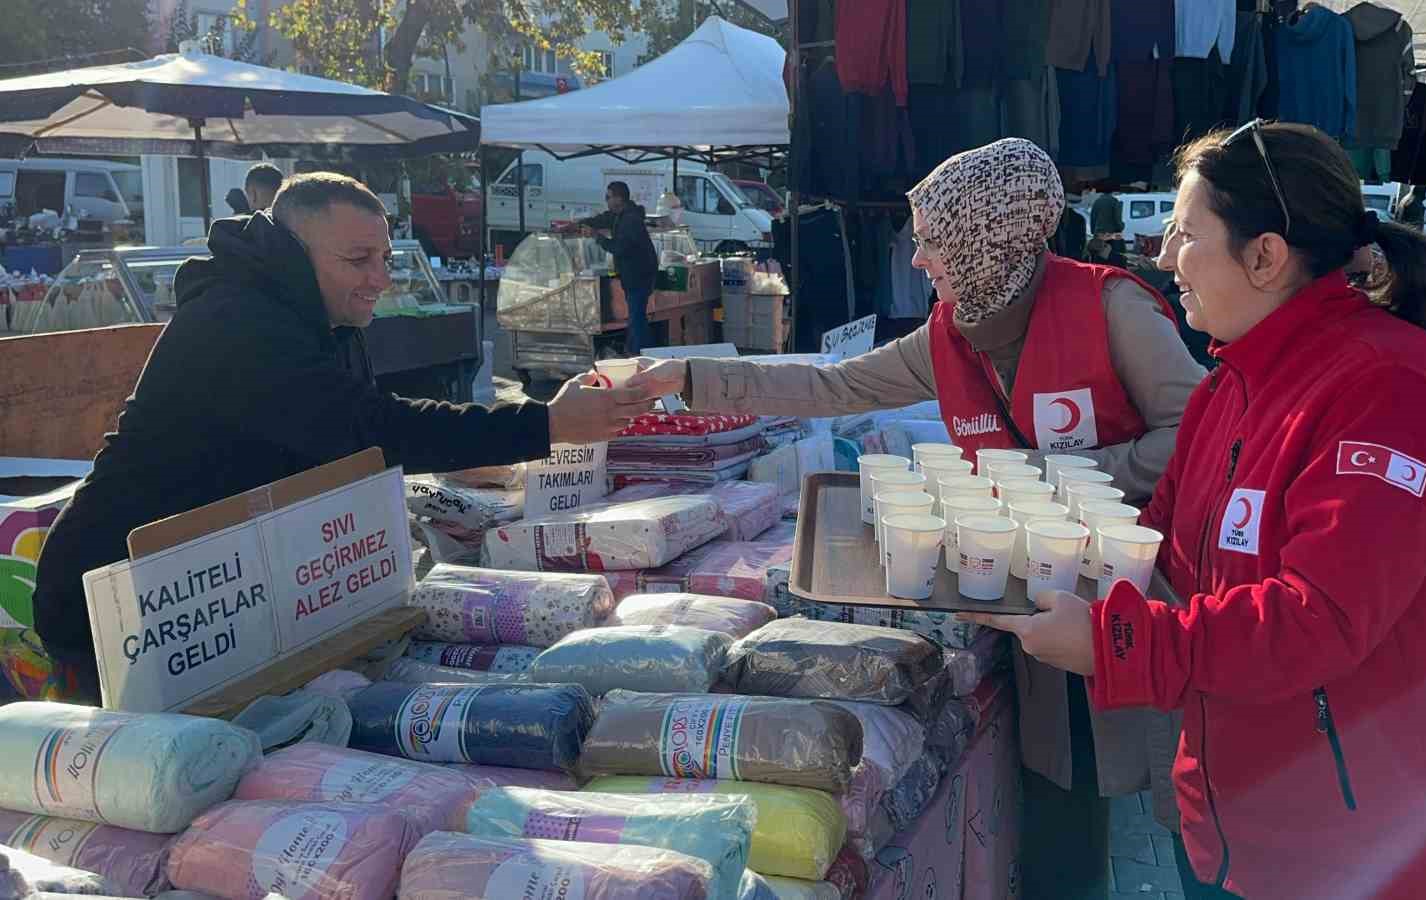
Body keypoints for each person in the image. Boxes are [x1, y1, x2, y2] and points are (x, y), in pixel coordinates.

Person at [967, 121, 1426, 899]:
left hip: (1382, 855)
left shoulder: (1390, 391)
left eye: (1183, 234)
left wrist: (1113, 644)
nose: (1163, 258)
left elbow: (1316, 619)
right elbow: (1159, 549)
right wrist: (1011, 561)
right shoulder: (1234, 382)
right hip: (1244, 831)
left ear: (1264, 256)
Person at [630, 138, 1208, 899]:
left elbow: (1200, 434)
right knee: (1065, 789)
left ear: (984, 238)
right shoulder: (951, 335)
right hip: (1028, 598)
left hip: (1143, 604)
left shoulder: (1112, 308)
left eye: (932, 241)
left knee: (1181, 808)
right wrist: (692, 378)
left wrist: (1057, 479)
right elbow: (830, 389)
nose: (918, 260)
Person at [32, 173, 651, 700]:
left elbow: (363, 424)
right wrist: (543, 423)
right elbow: (369, 431)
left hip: (215, 593)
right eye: (358, 260)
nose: (380, 278)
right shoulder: (236, 322)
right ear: (294, 250)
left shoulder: (313, 312)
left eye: (384, 257)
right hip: (119, 602)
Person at [578, 181, 659, 354]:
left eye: (608, 197)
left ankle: (643, 356)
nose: (606, 200)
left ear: (619, 198)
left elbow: (619, 247)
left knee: (636, 319)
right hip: (636, 275)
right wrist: (579, 224)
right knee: (636, 319)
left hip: (639, 275)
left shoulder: (630, 220)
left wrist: (596, 236)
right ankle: (638, 353)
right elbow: (603, 218)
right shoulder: (619, 215)